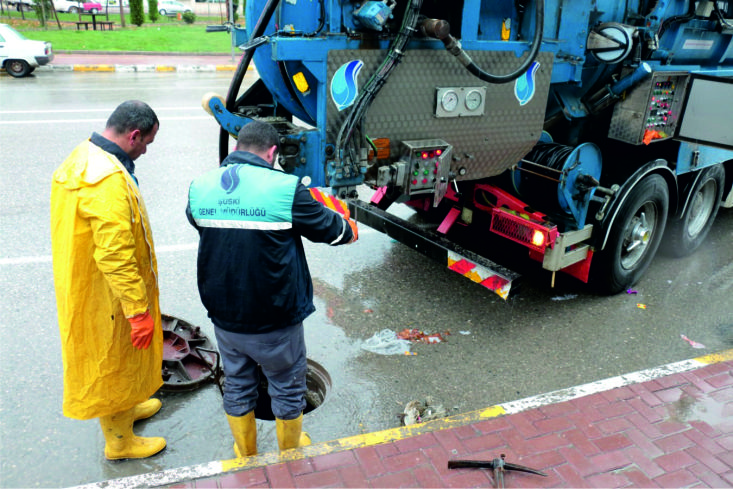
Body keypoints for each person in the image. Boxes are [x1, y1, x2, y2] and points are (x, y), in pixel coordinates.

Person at [186, 121, 358, 457]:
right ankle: (289, 454)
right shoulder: (285, 188)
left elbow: (202, 224)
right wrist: (348, 224)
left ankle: (245, 453)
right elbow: (334, 232)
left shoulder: (199, 186)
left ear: (236, 148)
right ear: (273, 153)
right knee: (287, 386)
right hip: (274, 317)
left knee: (237, 383)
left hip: (224, 315)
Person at [51, 100, 166, 461]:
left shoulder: (86, 155)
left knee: (120, 358)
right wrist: (137, 311)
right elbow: (115, 255)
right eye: (146, 142)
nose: (146, 150)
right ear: (133, 135)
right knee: (112, 359)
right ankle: (120, 443)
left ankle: (126, 408)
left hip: (91, 284)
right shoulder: (107, 182)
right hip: (109, 294)